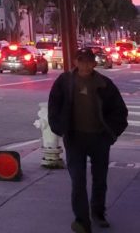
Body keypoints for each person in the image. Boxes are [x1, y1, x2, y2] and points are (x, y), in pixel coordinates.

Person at [47, 47, 128, 233]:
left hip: (99, 138)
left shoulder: (104, 84)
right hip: (75, 138)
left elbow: (120, 111)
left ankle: (98, 212)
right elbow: (54, 105)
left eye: (88, 61)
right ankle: (82, 220)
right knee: (78, 180)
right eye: (81, 60)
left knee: (100, 179)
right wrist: (58, 127)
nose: (84, 65)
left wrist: (110, 134)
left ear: (94, 63)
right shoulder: (64, 82)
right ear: (75, 62)